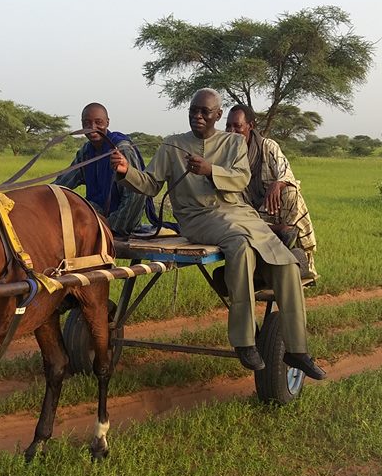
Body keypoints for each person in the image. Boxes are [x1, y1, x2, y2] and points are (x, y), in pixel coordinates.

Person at [110, 88, 325, 379]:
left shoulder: (233, 142)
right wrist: (126, 171)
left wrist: (211, 170)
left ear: (218, 115)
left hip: (240, 213)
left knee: (286, 262)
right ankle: (244, 340)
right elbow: (150, 184)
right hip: (198, 217)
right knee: (240, 246)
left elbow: (241, 179)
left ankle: (297, 350)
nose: (198, 116)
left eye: (205, 112)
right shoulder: (172, 146)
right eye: (193, 111)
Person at [225, 104, 318, 276]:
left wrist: (277, 184)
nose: (232, 131)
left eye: (237, 126)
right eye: (228, 126)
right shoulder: (226, 153)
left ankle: (289, 246)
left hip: (271, 209)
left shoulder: (268, 146)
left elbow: (286, 172)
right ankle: (280, 232)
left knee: (291, 192)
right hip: (247, 214)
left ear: (250, 126)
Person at [54, 102, 148, 237]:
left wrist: (110, 226)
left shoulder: (121, 149)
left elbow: (136, 194)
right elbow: (63, 183)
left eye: (98, 122)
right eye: (87, 123)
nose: (92, 128)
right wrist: (42, 195)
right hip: (95, 215)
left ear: (107, 122)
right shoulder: (86, 152)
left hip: (122, 221)